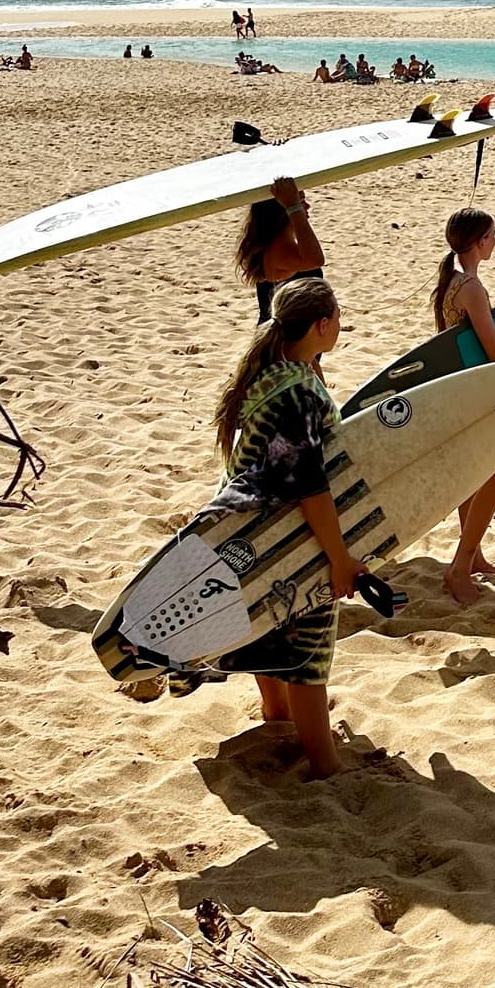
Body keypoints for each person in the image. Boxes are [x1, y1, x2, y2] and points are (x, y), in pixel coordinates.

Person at [202, 276, 351, 776]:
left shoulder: (271, 374)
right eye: (338, 319)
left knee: (267, 627)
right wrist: (339, 557)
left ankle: (276, 717)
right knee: (308, 651)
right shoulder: (297, 395)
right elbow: (309, 485)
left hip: (247, 529)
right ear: (322, 324)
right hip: (286, 534)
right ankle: (326, 763)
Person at [430, 209, 495, 605]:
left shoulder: (451, 279)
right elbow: (494, 349)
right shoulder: (471, 287)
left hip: (458, 389)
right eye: (494, 235)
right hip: (476, 393)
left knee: (473, 477)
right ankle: (459, 568)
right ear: (482, 240)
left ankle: (474, 555)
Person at [235, 177, 325, 321]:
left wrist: (294, 207)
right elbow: (316, 259)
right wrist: (294, 207)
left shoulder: (276, 242)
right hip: (285, 338)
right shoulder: (278, 248)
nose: (307, 206)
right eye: (302, 201)